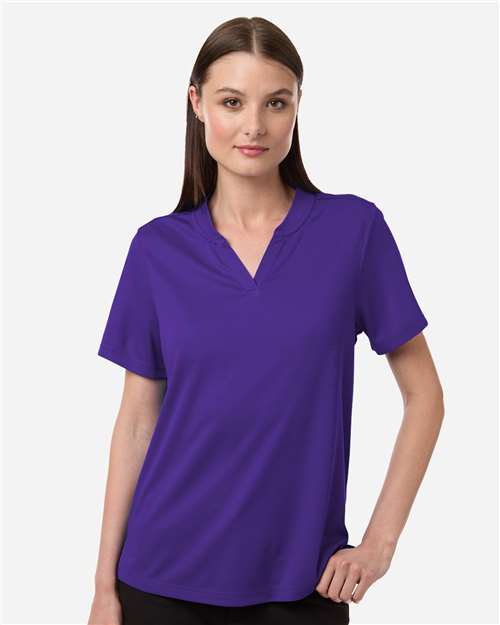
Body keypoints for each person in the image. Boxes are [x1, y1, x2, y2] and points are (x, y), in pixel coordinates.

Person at [88, 15, 445, 625]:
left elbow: (425, 395)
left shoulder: (353, 232)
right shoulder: (156, 249)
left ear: (297, 106)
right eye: (232, 102)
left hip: (304, 584)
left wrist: (379, 545)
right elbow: (137, 423)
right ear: (197, 103)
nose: (254, 125)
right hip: (160, 579)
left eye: (275, 103)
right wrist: (103, 588)